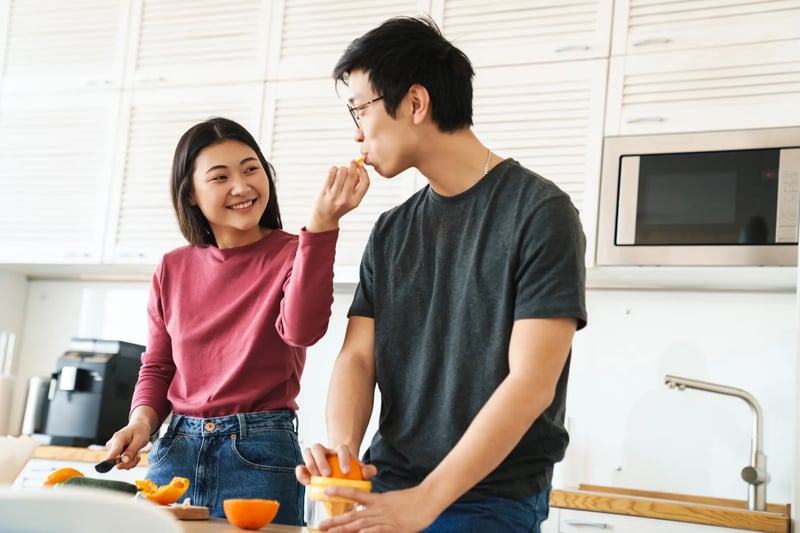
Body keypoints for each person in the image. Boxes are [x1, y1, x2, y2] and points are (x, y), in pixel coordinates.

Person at [294, 16, 587, 533]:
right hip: (388, 486)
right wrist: (344, 452)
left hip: (489, 500)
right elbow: (359, 357)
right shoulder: (391, 230)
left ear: (414, 102)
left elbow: (531, 384)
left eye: (360, 108)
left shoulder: (540, 211)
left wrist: (426, 500)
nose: (357, 133)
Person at [103, 117, 369, 525]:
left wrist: (322, 227)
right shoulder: (172, 267)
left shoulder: (295, 252)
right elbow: (158, 365)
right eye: (220, 176)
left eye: (250, 169)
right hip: (175, 448)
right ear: (190, 194)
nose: (242, 187)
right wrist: (140, 421)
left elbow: (303, 331)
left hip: (260, 451)